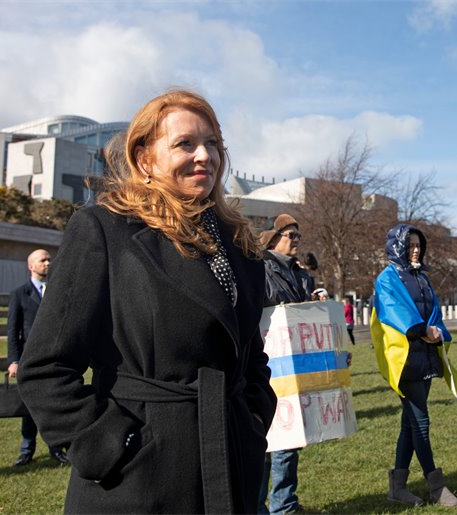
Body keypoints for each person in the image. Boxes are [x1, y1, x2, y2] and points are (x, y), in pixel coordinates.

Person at [17, 90, 277, 513]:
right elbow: (45, 367)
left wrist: (252, 419)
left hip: (229, 462)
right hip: (138, 479)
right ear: (144, 158)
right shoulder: (104, 230)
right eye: (185, 144)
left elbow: (250, 353)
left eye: (213, 143)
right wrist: (107, 444)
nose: (204, 156)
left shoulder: (237, 243)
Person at [371, 224, 457, 507]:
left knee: (410, 425)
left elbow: (434, 310)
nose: (416, 249)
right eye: (410, 245)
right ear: (397, 247)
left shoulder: (422, 277)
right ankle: (436, 486)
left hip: (426, 356)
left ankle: (397, 487)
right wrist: (423, 330)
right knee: (421, 422)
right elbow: (395, 312)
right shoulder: (387, 278)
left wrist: (438, 333)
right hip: (405, 359)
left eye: (418, 244)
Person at [258, 213, 313, 514]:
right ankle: (261, 506)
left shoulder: (301, 274)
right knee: (270, 441)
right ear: (273, 238)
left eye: (297, 236)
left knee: (291, 439)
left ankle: (285, 503)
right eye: (290, 235)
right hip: (269, 365)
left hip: (295, 366)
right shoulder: (261, 269)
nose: (296, 241)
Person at [6, 249, 69, 467]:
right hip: (29, 360)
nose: (48, 263)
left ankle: (56, 447)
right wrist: (14, 360)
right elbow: (13, 332)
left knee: (55, 403)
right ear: (31, 266)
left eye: (49, 259)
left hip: (56, 358)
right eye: (43, 260)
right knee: (29, 408)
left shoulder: (58, 292)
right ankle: (27, 450)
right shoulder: (19, 294)